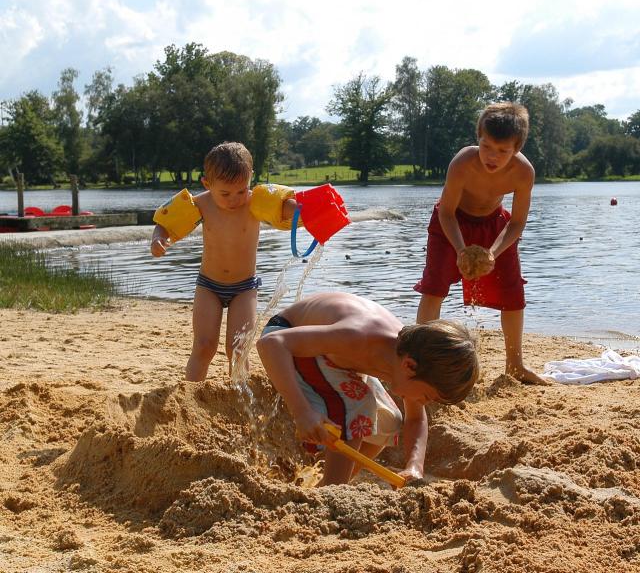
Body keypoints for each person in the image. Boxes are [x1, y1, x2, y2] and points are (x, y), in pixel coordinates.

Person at [256, 291, 479, 486]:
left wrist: (414, 467)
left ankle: (329, 483)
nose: (425, 402)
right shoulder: (358, 336)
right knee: (358, 405)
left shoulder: (411, 357)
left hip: (332, 356)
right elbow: (271, 344)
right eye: (428, 396)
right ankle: (332, 489)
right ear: (410, 366)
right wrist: (302, 412)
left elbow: (415, 420)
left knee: (389, 421)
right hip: (289, 338)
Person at [414, 102, 547, 385]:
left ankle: (515, 365)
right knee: (434, 286)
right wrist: (461, 249)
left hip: (495, 224)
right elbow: (446, 212)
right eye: (487, 146)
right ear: (478, 138)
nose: (492, 156)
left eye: (503, 151)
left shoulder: (524, 172)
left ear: (517, 148)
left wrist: (493, 252)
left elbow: (517, 222)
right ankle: (420, 358)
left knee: (513, 292)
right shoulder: (463, 162)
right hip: (451, 222)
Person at [151, 141, 297, 380]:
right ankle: (191, 396)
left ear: (251, 179)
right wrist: (158, 239)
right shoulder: (201, 204)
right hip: (209, 286)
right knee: (204, 345)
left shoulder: (255, 202)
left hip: (244, 288)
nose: (234, 199)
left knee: (238, 349)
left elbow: (285, 207)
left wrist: (304, 208)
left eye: (242, 190)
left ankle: (238, 399)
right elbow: (166, 223)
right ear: (207, 184)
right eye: (225, 193)